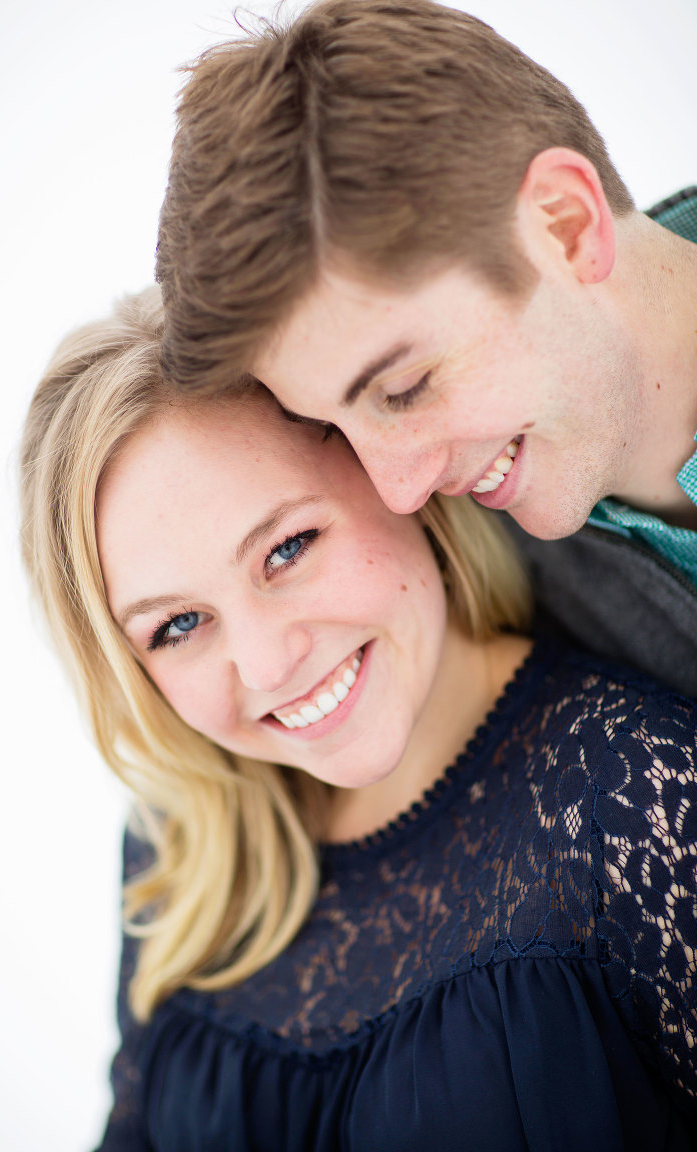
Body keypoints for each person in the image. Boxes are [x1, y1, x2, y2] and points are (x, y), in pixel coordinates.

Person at [20, 287, 697, 1150]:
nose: (267, 665)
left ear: (394, 475)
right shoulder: (185, 844)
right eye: (178, 626)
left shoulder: (641, 796)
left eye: (288, 548)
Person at [155, 0, 697, 695]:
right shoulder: (467, 561)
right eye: (336, 429)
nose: (400, 490)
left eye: (406, 386)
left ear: (567, 225)